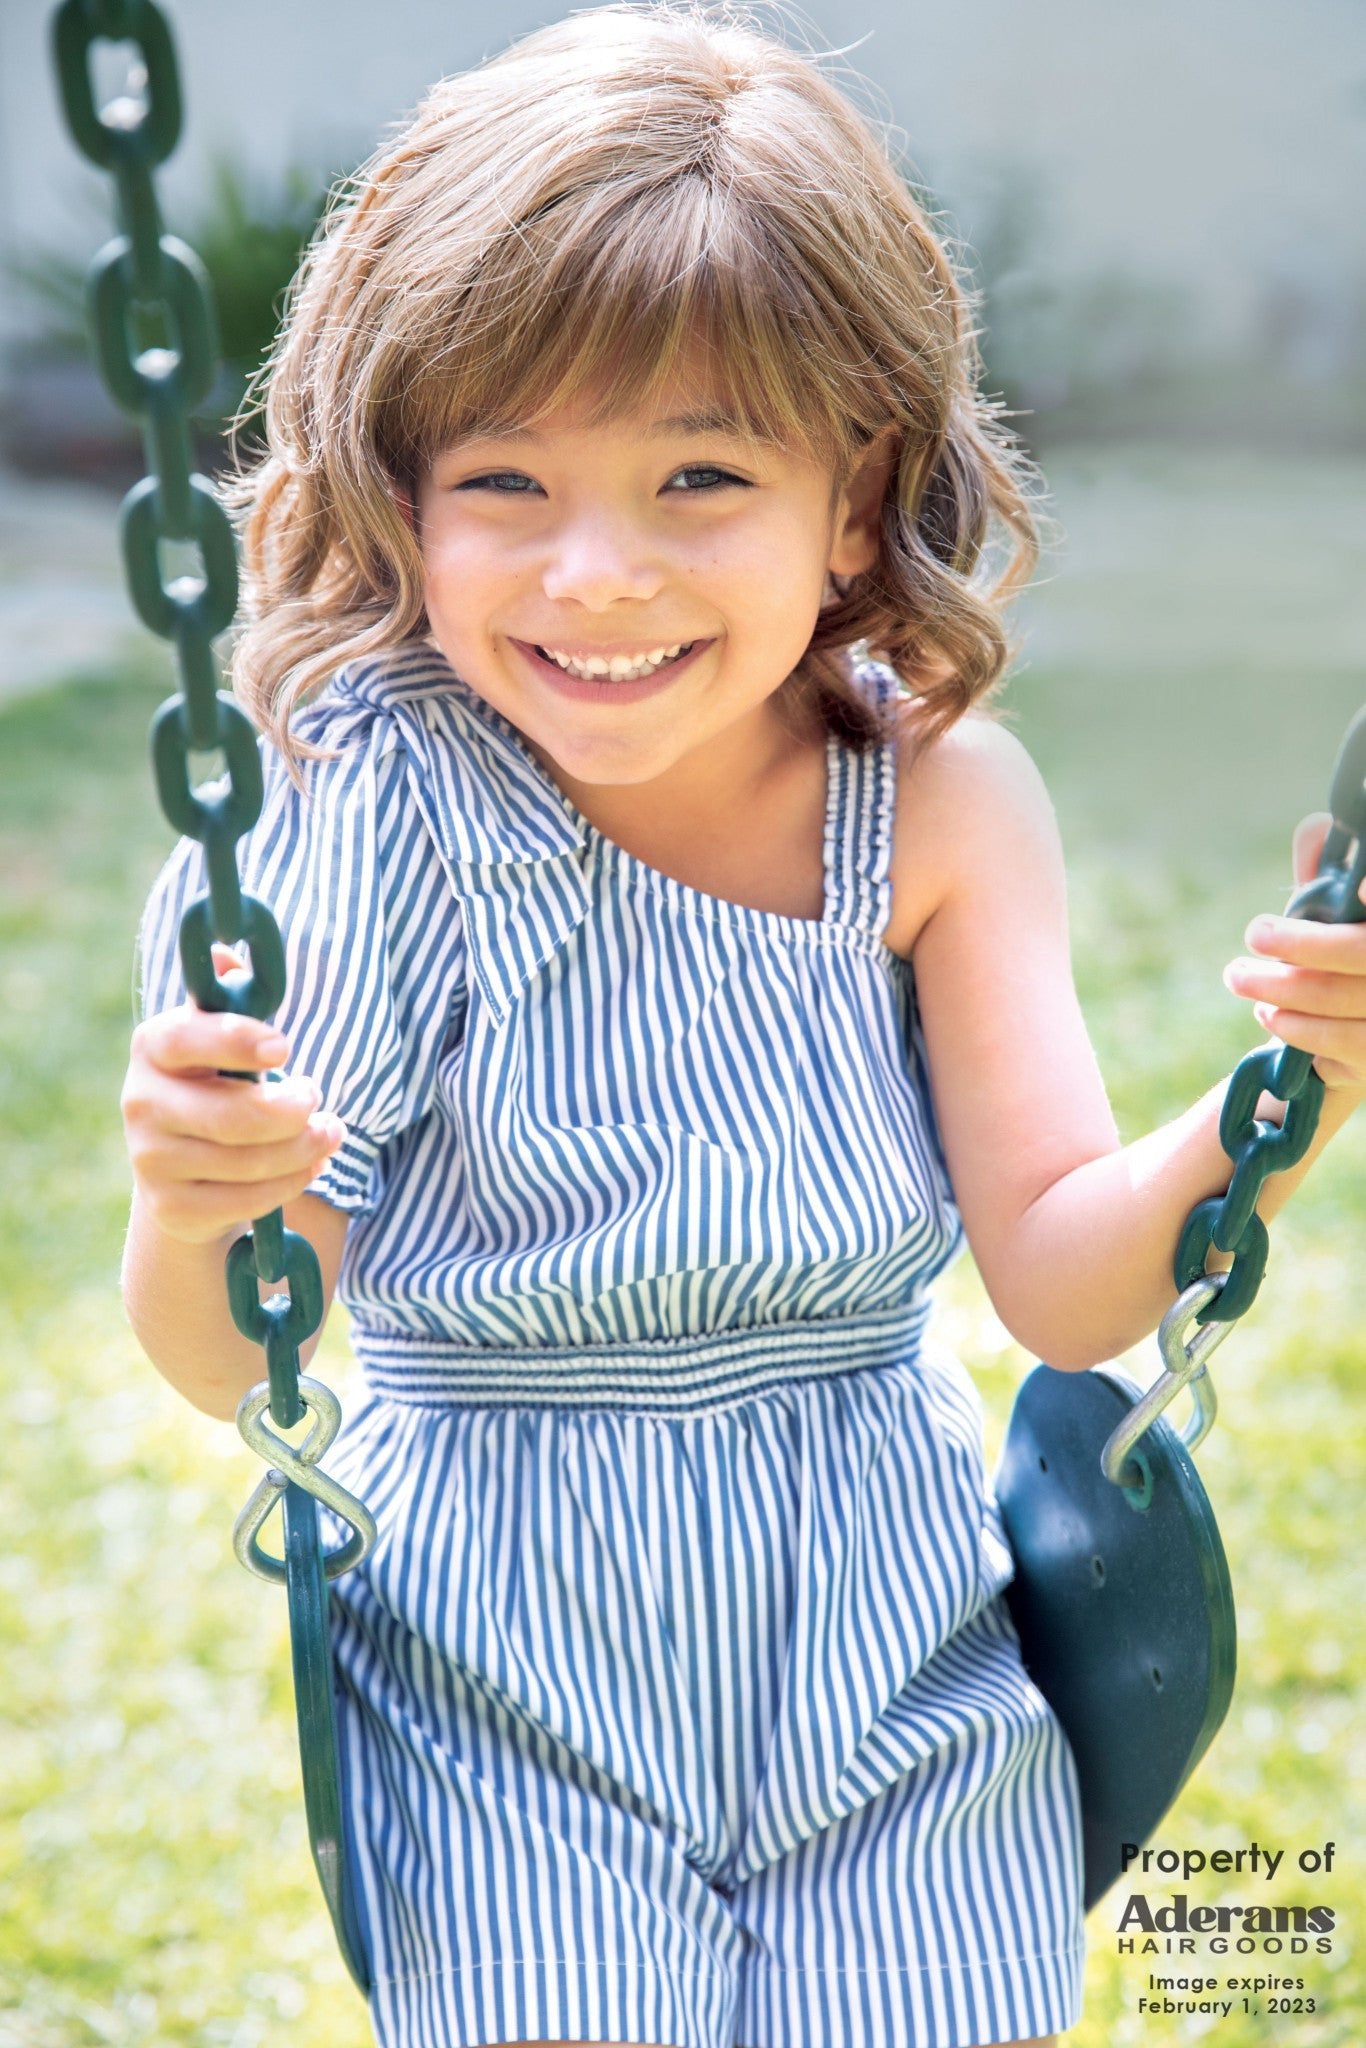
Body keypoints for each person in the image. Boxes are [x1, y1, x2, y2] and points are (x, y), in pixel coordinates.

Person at [119, 6, 1366, 2045]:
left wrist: (1289, 1092)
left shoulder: (938, 805)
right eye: (504, 479)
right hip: (500, 1657)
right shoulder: (370, 802)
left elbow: (1062, 1279)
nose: (595, 573)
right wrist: (198, 1204)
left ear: (854, 498)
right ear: (403, 494)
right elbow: (232, 1341)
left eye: (698, 476)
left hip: (891, 1635)